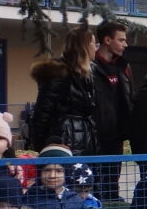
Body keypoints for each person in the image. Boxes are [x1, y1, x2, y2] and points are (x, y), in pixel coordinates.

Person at [29, 25, 99, 154]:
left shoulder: (89, 74)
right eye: (94, 44)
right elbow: (43, 113)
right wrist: (41, 148)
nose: (96, 48)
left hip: (84, 141)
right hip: (64, 142)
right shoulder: (59, 74)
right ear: (84, 47)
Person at [90, 20, 134, 202]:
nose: (125, 44)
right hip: (94, 136)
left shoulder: (124, 67)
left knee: (112, 182)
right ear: (107, 40)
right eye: (121, 40)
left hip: (116, 136)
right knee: (93, 183)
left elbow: (129, 98)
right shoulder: (89, 66)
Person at [21, 144, 94, 209]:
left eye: (59, 171)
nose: (52, 175)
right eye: (47, 170)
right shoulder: (30, 200)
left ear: (66, 173)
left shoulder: (75, 200)